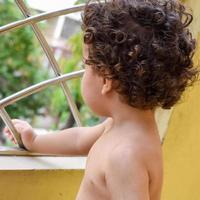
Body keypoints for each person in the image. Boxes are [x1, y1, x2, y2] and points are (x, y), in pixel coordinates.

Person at [4, 0, 199, 199]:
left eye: (85, 66)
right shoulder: (120, 128)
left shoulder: (125, 156)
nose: (83, 73)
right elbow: (79, 140)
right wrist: (35, 141)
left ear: (106, 80)